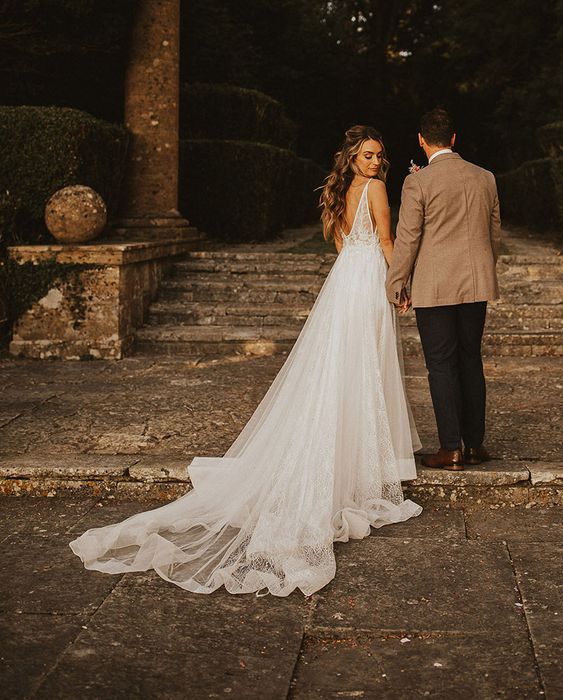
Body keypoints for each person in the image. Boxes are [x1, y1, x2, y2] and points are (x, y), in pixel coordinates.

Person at [70, 125, 422, 597]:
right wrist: (398, 283)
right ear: (352, 157)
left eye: (380, 155)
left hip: (342, 282)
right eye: (368, 156)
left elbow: (340, 245)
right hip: (366, 283)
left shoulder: (340, 192)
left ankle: (353, 455)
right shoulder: (377, 190)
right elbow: (384, 241)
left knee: (341, 368)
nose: (376, 163)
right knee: (366, 367)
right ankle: (366, 464)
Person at [387, 108, 501, 471]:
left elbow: (408, 238)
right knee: (470, 358)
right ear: (454, 138)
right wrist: (484, 269)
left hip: (434, 285)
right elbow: (494, 234)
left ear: (422, 141)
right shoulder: (485, 177)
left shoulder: (418, 182)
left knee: (440, 365)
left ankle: (450, 447)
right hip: (476, 282)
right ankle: (474, 445)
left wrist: (396, 282)